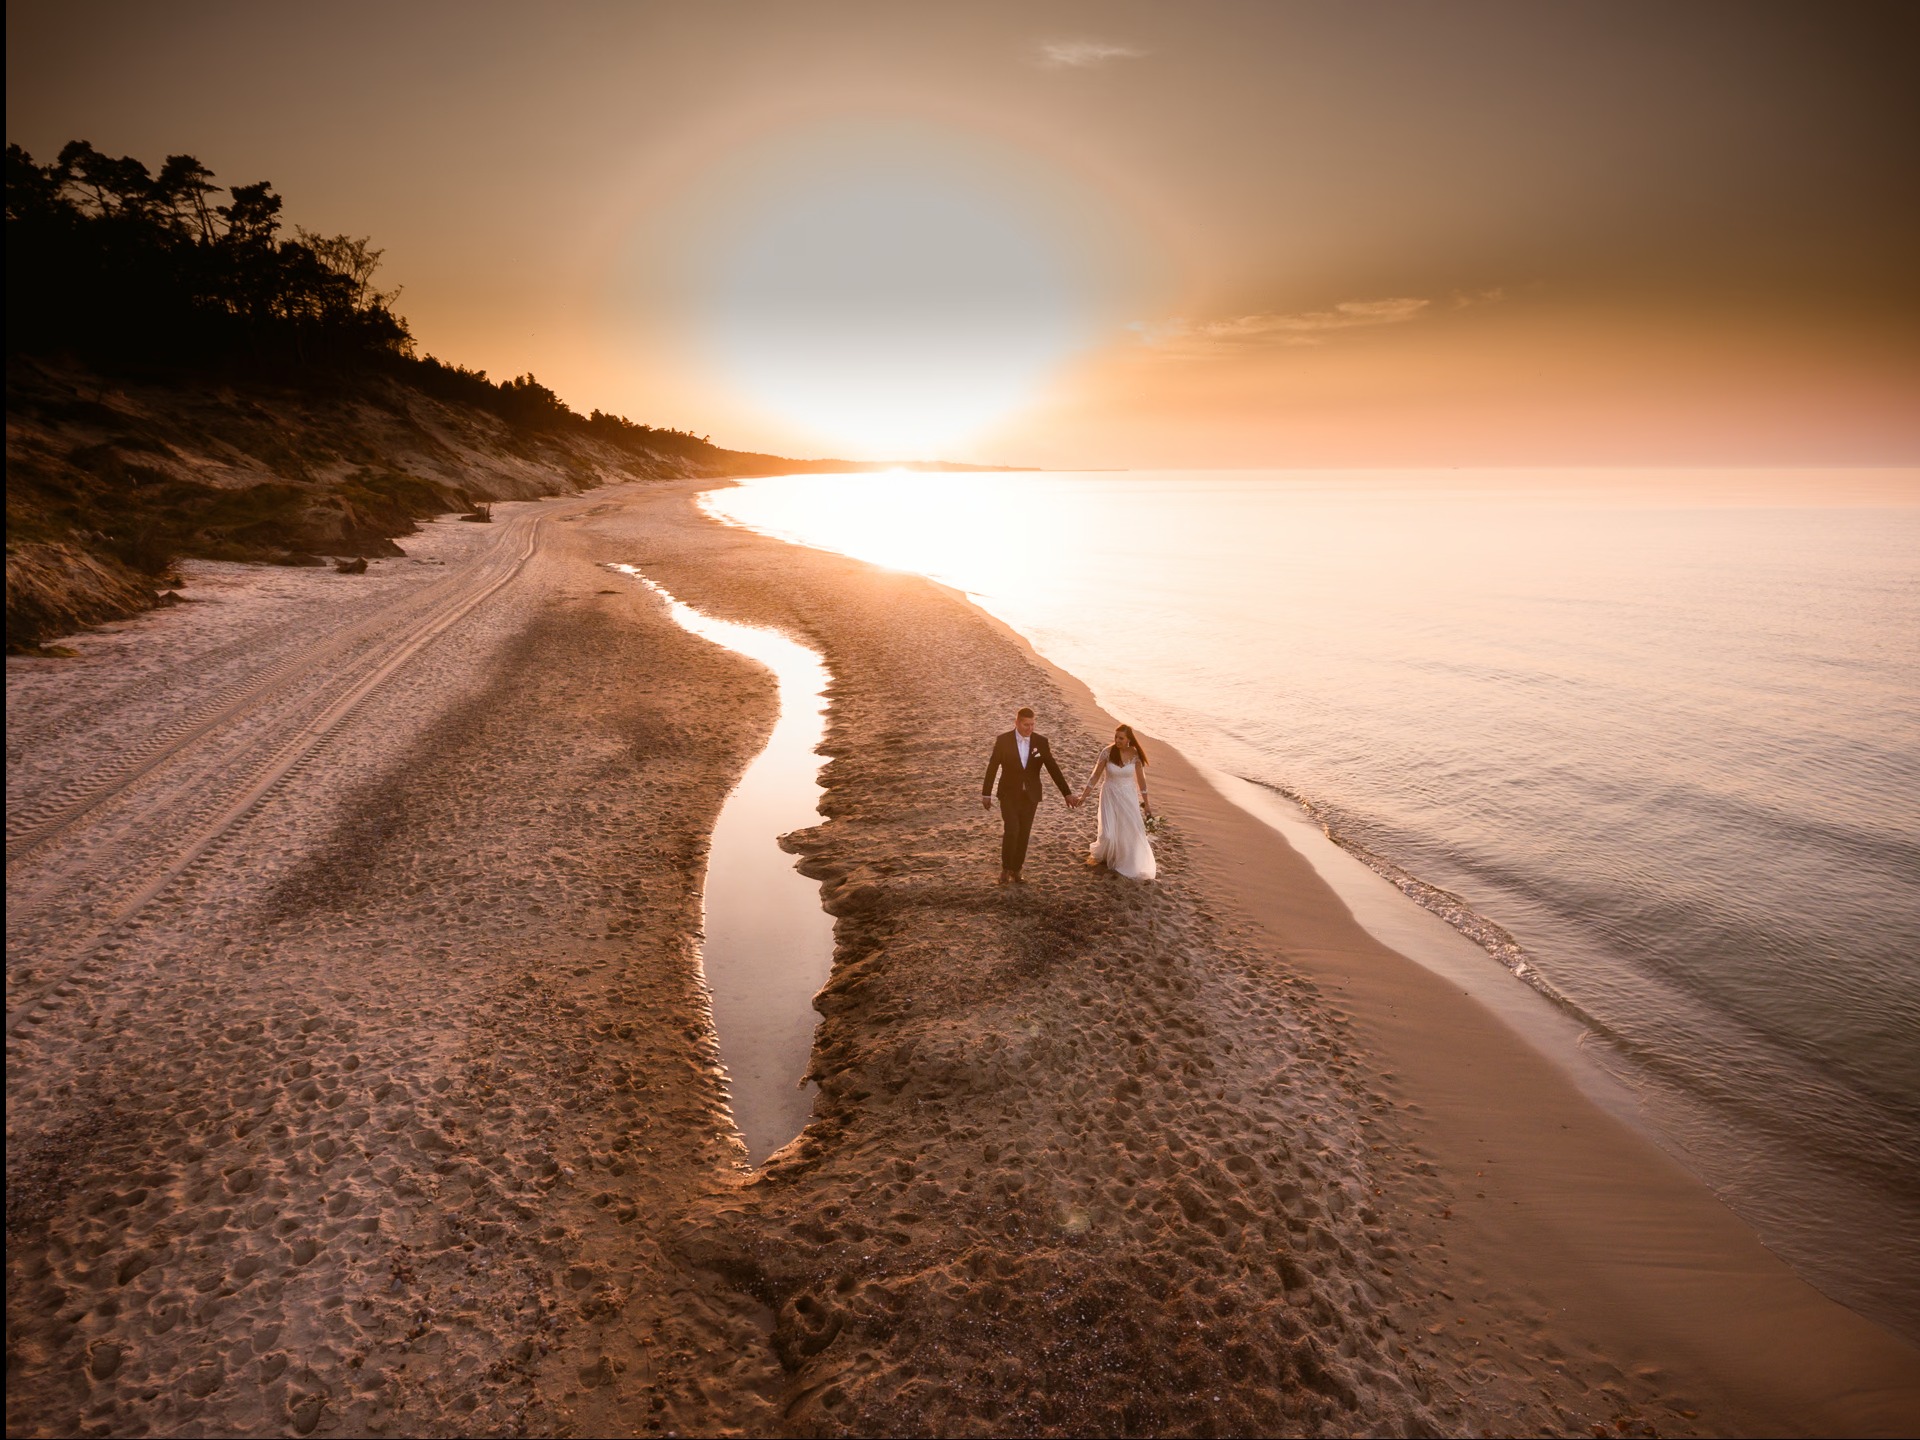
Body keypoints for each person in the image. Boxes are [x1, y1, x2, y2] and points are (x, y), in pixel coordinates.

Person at [981, 706, 1079, 885]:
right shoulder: (1003, 740)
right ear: (1016, 722)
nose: (1030, 728)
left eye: (1032, 724)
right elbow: (992, 766)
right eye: (1026, 725)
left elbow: (1052, 767)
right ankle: (1005, 868)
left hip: (1030, 796)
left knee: (1024, 833)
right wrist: (986, 793)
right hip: (1008, 794)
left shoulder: (1041, 742)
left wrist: (1067, 793)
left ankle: (1017, 870)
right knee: (1012, 830)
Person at [1077, 723, 1157, 881]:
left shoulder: (1135, 754)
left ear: (1128, 740)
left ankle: (1125, 859)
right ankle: (1107, 854)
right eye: (1116, 737)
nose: (1117, 740)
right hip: (1109, 795)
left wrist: (1146, 803)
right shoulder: (1107, 753)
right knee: (1108, 834)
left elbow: (1141, 781)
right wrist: (1084, 796)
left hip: (1128, 797)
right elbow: (1095, 776)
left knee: (1129, 831)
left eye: (1121, 738)